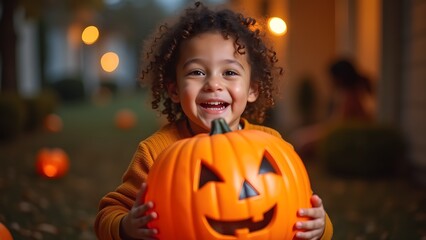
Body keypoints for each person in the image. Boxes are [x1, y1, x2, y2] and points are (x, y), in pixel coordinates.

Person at [94, 2, 333, 239]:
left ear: (253, 89)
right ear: (175, 90)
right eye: (197, 72)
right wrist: (126, 227)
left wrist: (320, 227)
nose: (213, 84)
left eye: (229, 72)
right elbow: (109, 214)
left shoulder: (273, 145)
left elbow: (302, 205)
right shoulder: (156, 152)